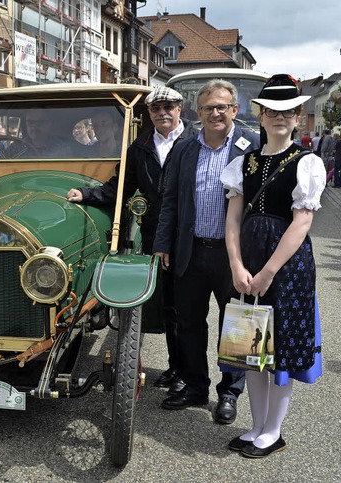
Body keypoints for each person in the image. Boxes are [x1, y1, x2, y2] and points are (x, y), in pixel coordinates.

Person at [67, 87, 198, 395]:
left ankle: (194, 376)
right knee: (169, 306)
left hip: (192, 231)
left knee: (189, 309)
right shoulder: (140, 148)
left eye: (168, 106)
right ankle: (176, 366)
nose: (163, 112)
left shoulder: (196, 141)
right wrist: (87, 194)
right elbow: (121, 186)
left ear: (180, 109)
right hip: (158, 232)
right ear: (150, 114)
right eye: (156, 109)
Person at [221, 73, 325, 458]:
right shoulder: (242, 163)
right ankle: (256, 425)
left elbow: (302, 223)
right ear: (260, 115)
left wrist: (268, 272)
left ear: (298, 117)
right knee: (250, 347)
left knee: (278, 350)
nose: (280, 117)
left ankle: (274, 430)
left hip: (287, 266)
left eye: (289, 111)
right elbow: (232, 220)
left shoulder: (307, 162)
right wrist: (235, 264)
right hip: (247, 260)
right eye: (273, 111)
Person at [153, 79, 260, 424]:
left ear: (234, 109)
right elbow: (170, 200)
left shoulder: (252, 146)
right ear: (197, 112)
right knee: (188, 324)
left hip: (234, 257)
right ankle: (196, 386)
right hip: (191, 251)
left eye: (222, 106)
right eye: (208, 107)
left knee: (238, 326)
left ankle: (230, 392)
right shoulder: (184, 150)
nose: (215, 113)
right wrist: (162, 244)